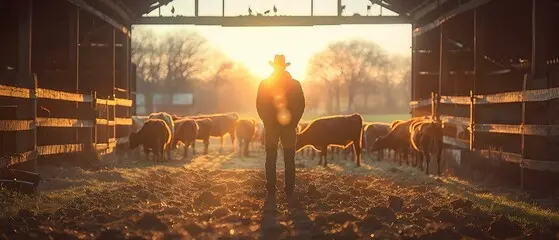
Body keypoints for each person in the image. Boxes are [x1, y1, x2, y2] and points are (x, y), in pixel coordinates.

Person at [256, 54, 305, 198]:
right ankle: (289, 189)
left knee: (271, 156)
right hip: (288, 127)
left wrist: (268, 121)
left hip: (272, 127)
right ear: (284, 66)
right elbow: (300, 105)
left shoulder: (265, 83)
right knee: (289, 158)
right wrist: (293, 122)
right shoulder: (295, 84)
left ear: (274, 66)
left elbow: (260, 105)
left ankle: (271, 188)